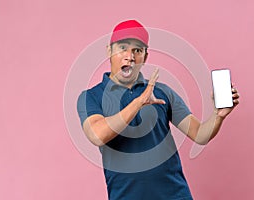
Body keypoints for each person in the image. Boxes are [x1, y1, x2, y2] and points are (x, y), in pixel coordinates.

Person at [77, 19, 239, 200]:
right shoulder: (91, 96)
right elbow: (97, 135)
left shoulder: (162, 92)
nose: (130, 56)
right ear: (109, 51)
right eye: (123, 48)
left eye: (137, 50)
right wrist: (139, 102)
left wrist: (218, 115)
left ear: (145, 57)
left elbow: (200, 134)